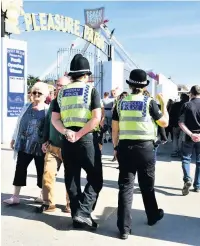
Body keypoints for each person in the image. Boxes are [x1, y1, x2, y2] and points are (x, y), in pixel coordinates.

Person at [112, 69, 169, 240]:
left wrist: (116, 148)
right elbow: (164, 122)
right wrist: (164, 105)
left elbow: (115, 129)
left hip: (125, 148)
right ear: (145, 85)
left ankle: (123, 228)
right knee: (147, 185)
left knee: (125, 187)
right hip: (145, 149)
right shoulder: (149, 102)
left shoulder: (120, 103)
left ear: (129, 85)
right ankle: (152, 216)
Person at [51, 54, 102, 230]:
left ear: (71, 74)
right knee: (96, 177)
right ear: (86, 74)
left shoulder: (61, 93)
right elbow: (96, 118)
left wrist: (67, 132)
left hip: (67, 139)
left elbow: (55, 119)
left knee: (72, 179)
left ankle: (77, 217)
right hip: (86, 138)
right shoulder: (91, 91)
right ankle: (84, 212)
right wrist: (79, 134)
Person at [3, 82, 49, 205]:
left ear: (45, 95)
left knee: (41, 171)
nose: (36, 95)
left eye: (39, 93)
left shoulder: (48, 110)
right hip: (24, 144)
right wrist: (14, 138)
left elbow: (50, 129)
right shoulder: (26, 106)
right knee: (20, 169)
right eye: (34, 92)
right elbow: (19, 124)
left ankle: (41, 194)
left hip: (40, 147)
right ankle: (15, 196)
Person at [37, 77, 71, 213]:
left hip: (69, 147)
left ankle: (70, 204)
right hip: (52, 146)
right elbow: (48, 123)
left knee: (70, 177)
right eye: (57, 85)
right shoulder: (54, 103)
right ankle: (49, 204)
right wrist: (44, 140)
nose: (58, 88)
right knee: (48, 175)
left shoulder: (74, 103)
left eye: (62, 85)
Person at [178, 85, 200, 195]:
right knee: (199, 161)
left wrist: (191, 134)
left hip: (188, 137)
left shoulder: (186, 105)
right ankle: (197, 186)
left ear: (191, 93)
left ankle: (187, 179)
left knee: (186, 159)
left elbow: (181, 123)